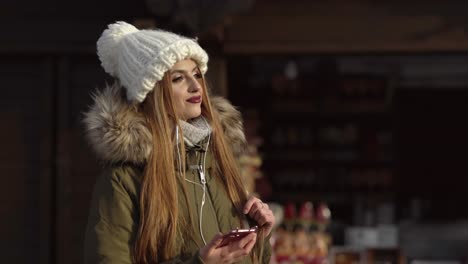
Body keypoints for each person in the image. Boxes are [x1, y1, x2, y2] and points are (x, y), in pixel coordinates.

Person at [83, 21, 275, 264]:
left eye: (196, 75)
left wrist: (259, 236)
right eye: (178, 79)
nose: (196, 86)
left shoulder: (219, 163)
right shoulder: (124, 181)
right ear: (151, 92)